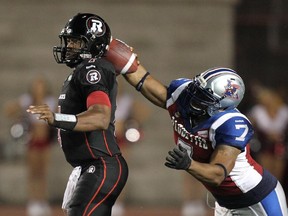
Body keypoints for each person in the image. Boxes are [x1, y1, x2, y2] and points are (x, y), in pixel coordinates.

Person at [121, 62, 288, 215]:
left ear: (220, 105)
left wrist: (189, 164)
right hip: (224, 203)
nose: (193, 97)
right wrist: (124, 61)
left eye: (203, 96)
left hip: (256, 198)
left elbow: (217, 174)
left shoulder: (229, 124)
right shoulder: (183, 95)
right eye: (196, 89)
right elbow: (145, 81)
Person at [26, 13, 128, 216]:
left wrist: (56, 119)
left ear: (92, 45)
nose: (69, 46)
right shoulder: (81, 71)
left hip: (101, 164)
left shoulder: (92, 69)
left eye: (76, 41)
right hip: (90, 165)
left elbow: (100, 116)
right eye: (69, 41)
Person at [4, 77, 56, 216]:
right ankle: (33, 202)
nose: (39, 89)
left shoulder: (50, 101)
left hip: (45, 143)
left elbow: (56, 116)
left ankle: (43, 201)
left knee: (43, 173)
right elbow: (9, 110)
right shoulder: (27, 100)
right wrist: (20, 114)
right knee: (33, 173)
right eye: (36, 86)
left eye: (41, 86)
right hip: (32, 142)